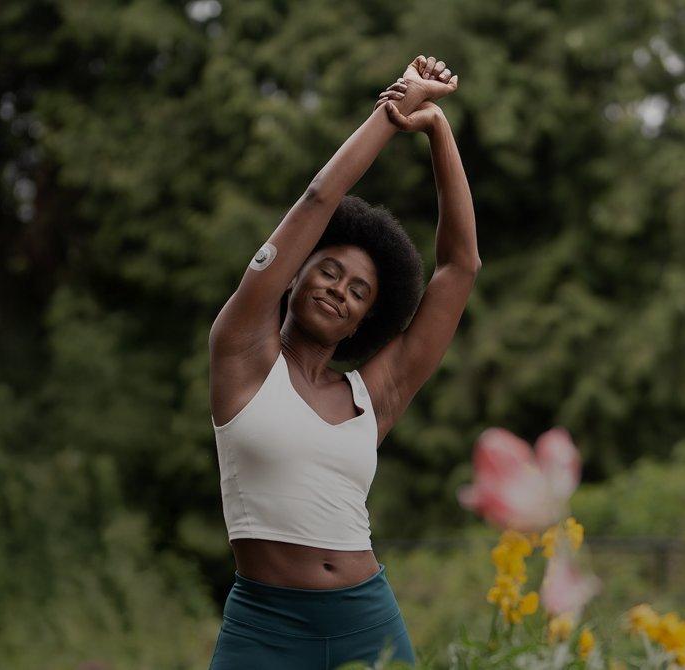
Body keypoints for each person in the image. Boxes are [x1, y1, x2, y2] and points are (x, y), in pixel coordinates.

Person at [206, 55, 480, 669]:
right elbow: (318, 196)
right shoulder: (242, 354)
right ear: (295, 273)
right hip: (264, 628)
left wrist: (438, 130)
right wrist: (391, 112)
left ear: (365, 320)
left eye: (359, 291)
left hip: (368, 622)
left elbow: (459, 268)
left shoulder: (372, 396)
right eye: (329, 271)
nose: (339, 290)